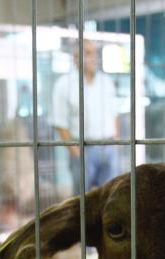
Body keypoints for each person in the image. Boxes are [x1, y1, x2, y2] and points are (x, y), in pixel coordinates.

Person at [51, 40, 119, 194]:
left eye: (94, 53)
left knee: (111, 196)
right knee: (82, 201)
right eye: (88, 53)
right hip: (83, 149)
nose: (93, 57)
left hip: (108, 147)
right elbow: (59, 123)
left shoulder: (106, 82)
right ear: (75, 58)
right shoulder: (64, 84)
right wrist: (76, 152)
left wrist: (115, 143)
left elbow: (114, 114)